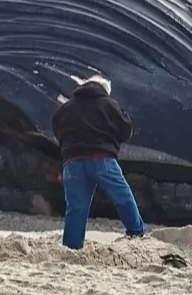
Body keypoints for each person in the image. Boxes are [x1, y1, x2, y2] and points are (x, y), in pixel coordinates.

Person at [51, 75, 145, 250]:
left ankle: (72, 247)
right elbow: (126, 130)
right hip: (102, 159)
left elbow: (56, 129)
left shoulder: (66, 108)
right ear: (105, 91)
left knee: (76, 207)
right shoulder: (109, 104)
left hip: (72, 162)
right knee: (122, 197)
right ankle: (136, 233)